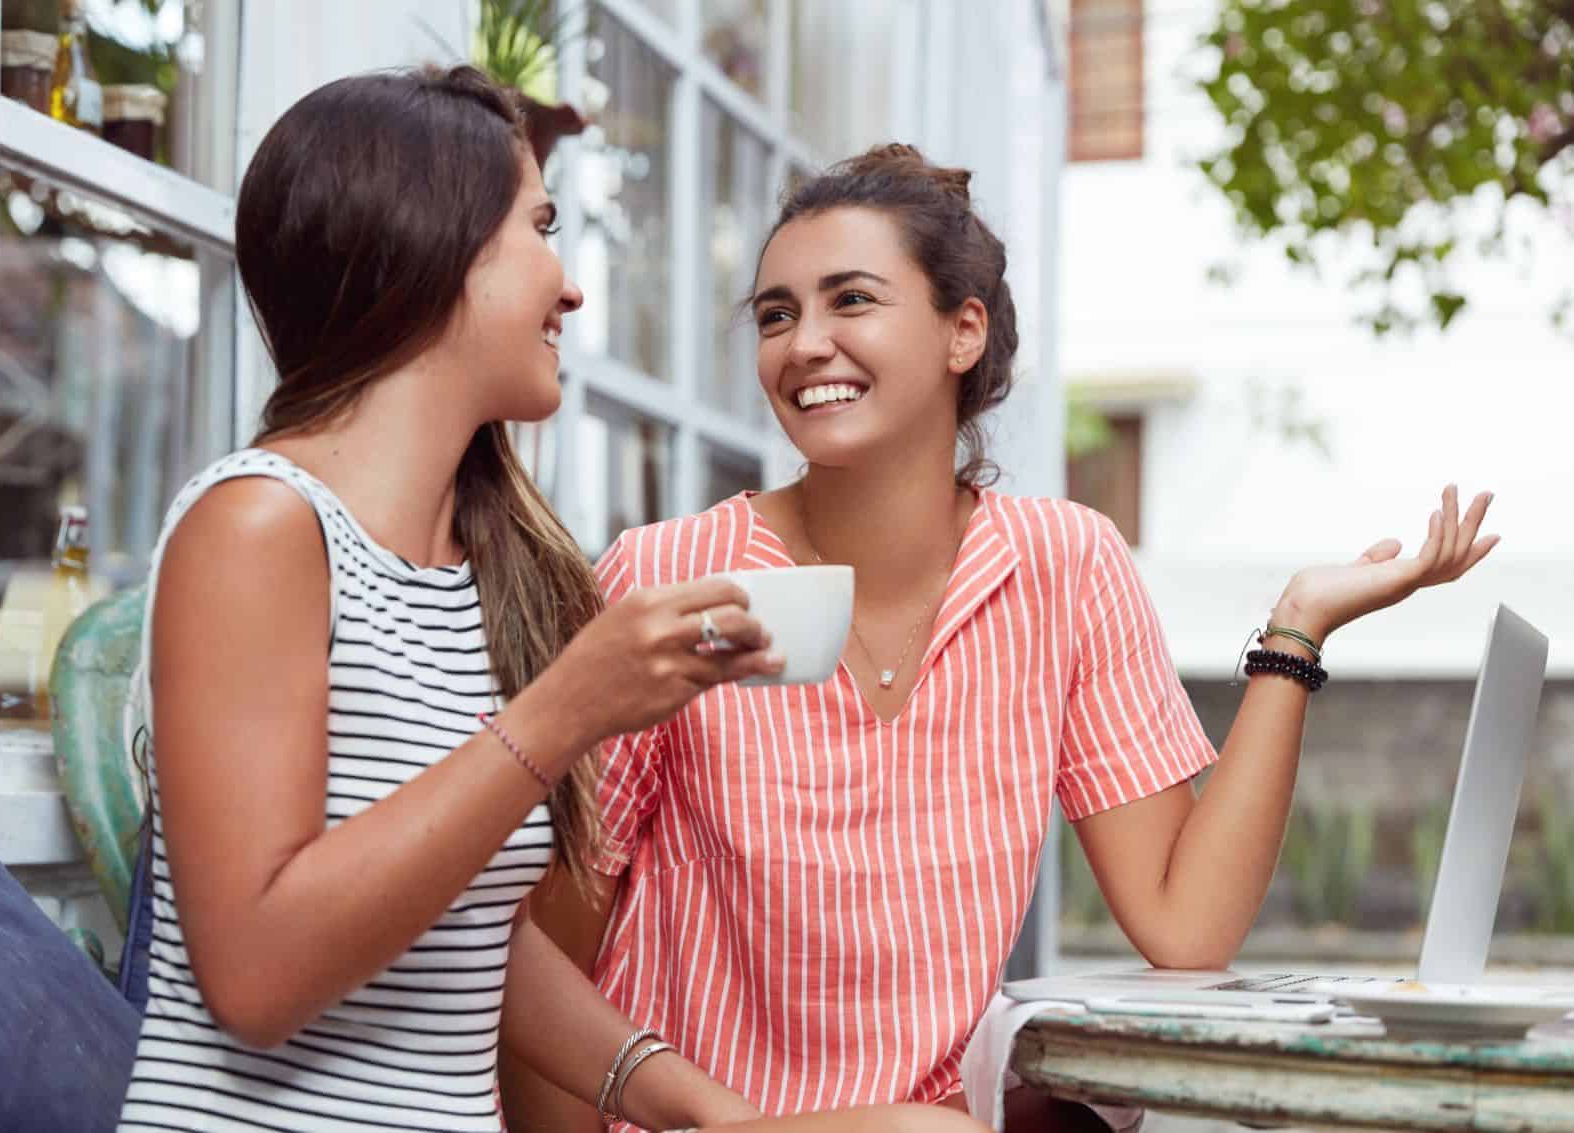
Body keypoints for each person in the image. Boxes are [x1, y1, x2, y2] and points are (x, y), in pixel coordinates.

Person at [512, 144, 1498, 1130]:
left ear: (962, 331)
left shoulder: (1066, 567)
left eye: (849, 299)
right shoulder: (664, 577)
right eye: (776, 313)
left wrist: (1297, 628)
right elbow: (547, 958)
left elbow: (1185, 924)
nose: (802, 342)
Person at [115, 69, 986, 1133]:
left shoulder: (478, 564)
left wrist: (710, 1110)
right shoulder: (256, 527)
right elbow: (254, 973)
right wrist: (567, 708)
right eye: (539, 226)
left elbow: (449, 928)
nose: (569, 287)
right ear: (432, 249)